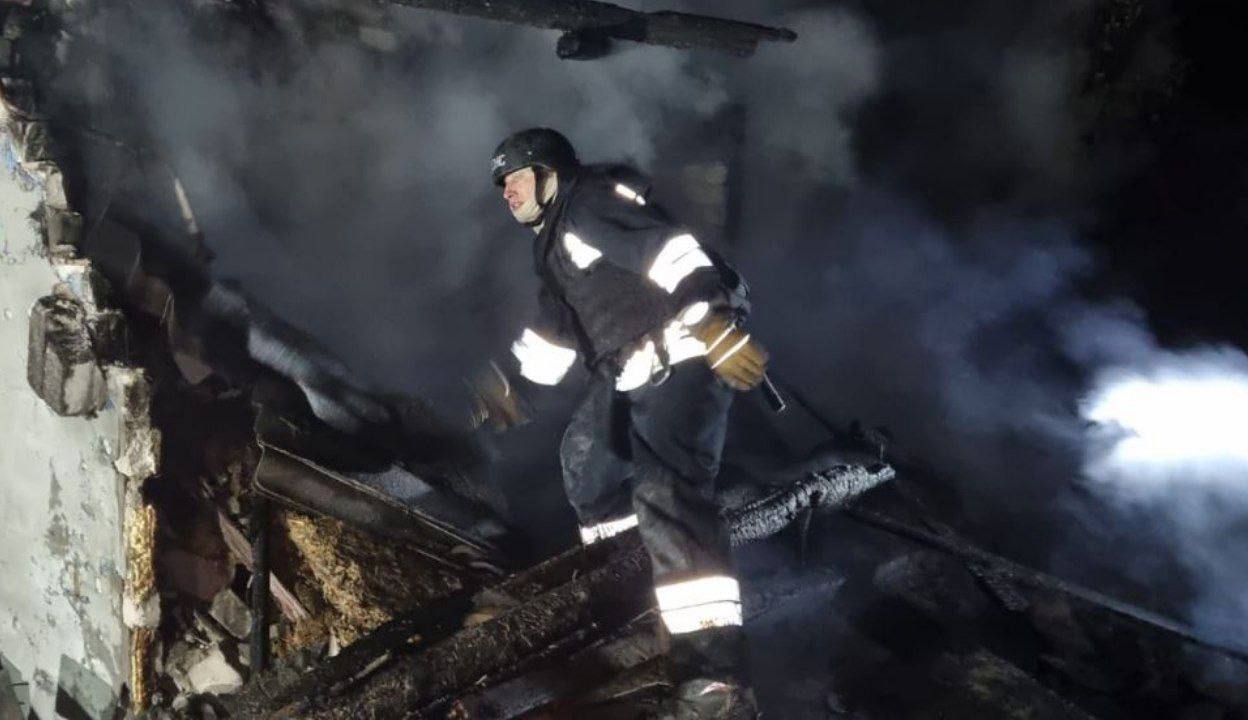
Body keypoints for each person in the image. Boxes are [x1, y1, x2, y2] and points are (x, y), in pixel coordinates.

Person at [472, 127, 768, 718]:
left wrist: (713, 320)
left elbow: (671, 251)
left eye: (517, 177)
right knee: (587, 464)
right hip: (628, 370)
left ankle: (716, 682)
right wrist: (514, 390)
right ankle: (635, 595)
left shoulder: (588, 201)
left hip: (685, 350)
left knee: (668, 491)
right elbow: (557, 333)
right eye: (501, 184)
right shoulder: (553, 247)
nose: (507, 191)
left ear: (550, 173)